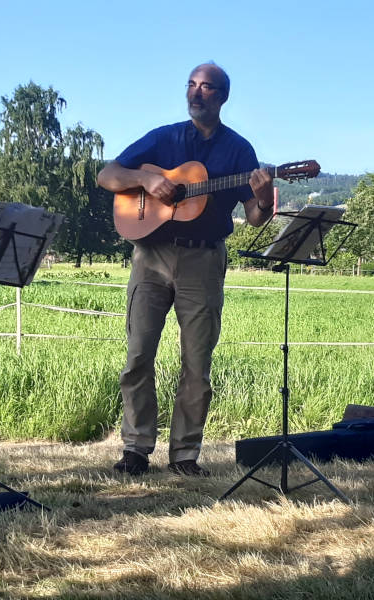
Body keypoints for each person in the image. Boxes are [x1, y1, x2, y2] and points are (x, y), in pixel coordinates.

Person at [97, 62, 274, 477]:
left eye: (206, 87)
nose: (196, 93)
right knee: (138, 354)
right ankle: (136, 449)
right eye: (191, 86)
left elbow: (254, 217)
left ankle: (184, 456)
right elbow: (108, 175)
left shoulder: (239, 152)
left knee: (197, 362)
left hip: (204, 260)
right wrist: (145, 178)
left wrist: (264, 198)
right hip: (151, 254)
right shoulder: (165, 137)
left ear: (222, 97)